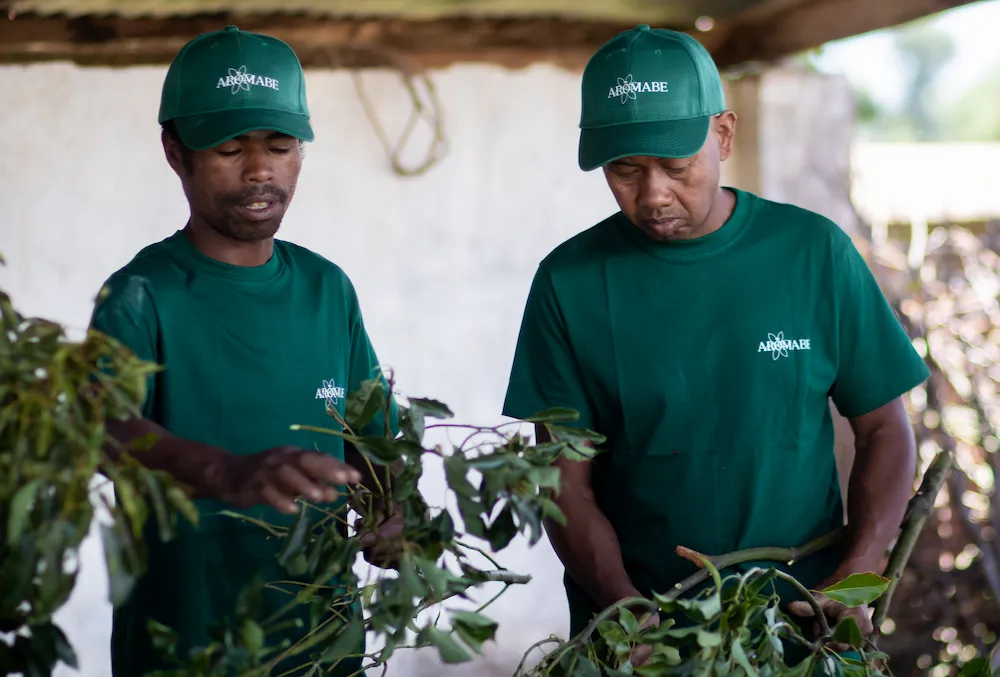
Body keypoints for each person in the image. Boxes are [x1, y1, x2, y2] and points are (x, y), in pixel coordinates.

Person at [502, 24, 929, 668]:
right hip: (639, 638)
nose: (653, 195)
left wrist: (854, 578)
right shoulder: (570, 282)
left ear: (723, 135)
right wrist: (623, 609)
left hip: (799, 627)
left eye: (677, 166)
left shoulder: (812, 254)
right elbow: (566, 485)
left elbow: (886, 432)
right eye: (625, 170)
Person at [90, 26, 401, 677]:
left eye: (280, 145)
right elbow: (107, 428)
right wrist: (227, 472)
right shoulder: (140, 294)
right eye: (229, 147)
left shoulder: (327, 289)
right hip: (186, 639)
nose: (260, 169)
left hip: (319, 642)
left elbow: (371, 441)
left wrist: (390, 512)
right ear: (176, 152)